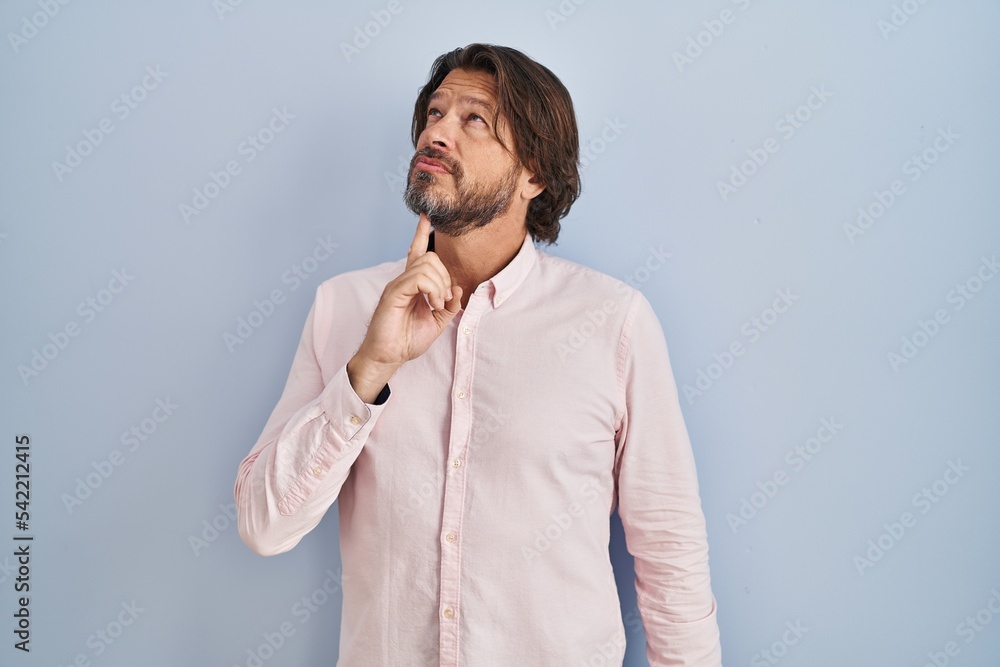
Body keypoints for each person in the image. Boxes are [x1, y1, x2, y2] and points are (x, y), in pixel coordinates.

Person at [234, 43, 722, 666]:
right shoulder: (344, 306)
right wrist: (370, 372)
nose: (437, 132)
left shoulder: (612, 322)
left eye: (474, 120)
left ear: (534, 174)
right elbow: (264, 526)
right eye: (434, 114)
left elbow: (670, 553)